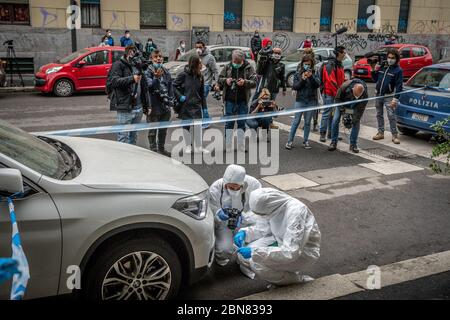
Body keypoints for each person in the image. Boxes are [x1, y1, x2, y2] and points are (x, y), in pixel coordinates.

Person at [233, 188, 321, 285]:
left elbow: (291, 251)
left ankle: (298, 281)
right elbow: (263, 229)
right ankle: (282, 272)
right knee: (244, 256)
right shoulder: (272, 206)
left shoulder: (296, 212)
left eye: (261, 214)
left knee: (257, 263)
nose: (261, 216)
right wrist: (245, 233)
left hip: (303, 252)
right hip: (280, 240)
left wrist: (255, 252)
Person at [209, 165, 262, 268]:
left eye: (236, 187)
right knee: (224, 249)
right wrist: (219, 215)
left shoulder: (253, 185)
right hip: (224, 223)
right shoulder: (215, 188)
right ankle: (221, 258)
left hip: (246, 221)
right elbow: (211, 210)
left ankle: (244, 262)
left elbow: (260, 210)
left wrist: (245, 217)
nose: (233, 190)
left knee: (250, 246)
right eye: (230, 187)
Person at [108, 45, 150, 145]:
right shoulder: (118, 65)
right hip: (125, 108)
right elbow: (114, 81)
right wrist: (132, 79)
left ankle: (132, 157)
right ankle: (123, 159)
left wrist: (147, 105)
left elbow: (144, 87)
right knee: (123, 137)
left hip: (138, 108)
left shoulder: (137, 65)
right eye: (131, 52)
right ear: (127, 53)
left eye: (135, 52)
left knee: (134, 136)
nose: (133, 54)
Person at [218, 49, 257, 152]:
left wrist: (245, 82)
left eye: (237, 62)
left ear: (242, 60)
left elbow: (255, 82)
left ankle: (241, 145)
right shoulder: (228, 66)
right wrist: (226, 80)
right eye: (234, 61)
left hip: (243, 100)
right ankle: (228, 145)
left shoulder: (248, 68)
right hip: (229, 100)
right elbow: (219, 79)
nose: (235, 63)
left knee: (241, 123)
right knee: (229, 123)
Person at [173, 55, 209, 154]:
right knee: (186, 126)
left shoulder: (200, 76)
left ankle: (199, 146)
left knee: (198, 127)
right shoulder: (183, 75)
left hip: (196, 105)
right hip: (186, 105)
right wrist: (180, 96)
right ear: (195, 64)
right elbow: (173, 86)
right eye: (200, 63)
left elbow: (202, 93)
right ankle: (188, 145)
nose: (201, 65)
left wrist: (204, 107)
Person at [286, 54, 320, 150]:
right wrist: (303, 80)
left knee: (308, 122)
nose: (307, 66)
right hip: (300, 100)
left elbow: (317, 84)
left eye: (309, 64)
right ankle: (289, 141)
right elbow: (295, 86)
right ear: (302, 64)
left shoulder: (315, 72)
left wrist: (311, 77)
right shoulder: (297, 73)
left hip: (311, 101)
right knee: (296, 121)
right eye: (305, 64)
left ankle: (305, 141)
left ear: (312, 64)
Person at [144, 49, 173, 156]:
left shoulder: (166, 72)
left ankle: (161, 149)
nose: (159, 58)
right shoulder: (147, 72)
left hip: (165, 107)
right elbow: (150, 86)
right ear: (151, 59)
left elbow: (170, 88)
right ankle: (153, 150)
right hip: (153, 106)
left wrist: (171, 101)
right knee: (152, 131)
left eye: (160, 56)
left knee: (163, 130)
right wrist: (156, 77)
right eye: (156, 57)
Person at [372, 48, 403, 145]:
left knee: (391, 115)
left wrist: (395, 99)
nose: (390, 59)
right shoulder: (383, 66)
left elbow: (399, 86)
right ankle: (380, 132)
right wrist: (373, 69)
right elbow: (375, 79)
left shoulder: (398, 70)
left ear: (396, 59)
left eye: (392, 58)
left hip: (389, 96)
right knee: (379, 114)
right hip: (378, 94)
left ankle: (394, 135)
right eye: (389, 57)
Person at [328, 79, 368, 153]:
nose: (356, 97)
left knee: (356, 122)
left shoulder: (365, 93)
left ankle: (353, 144)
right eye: (355, 95)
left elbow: (360, 110)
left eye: (358, 97)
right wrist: (345, 113)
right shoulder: (344, 87)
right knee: (335, 120)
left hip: (355, 107)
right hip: (342, 104)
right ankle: (333, 142)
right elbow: (337, 100)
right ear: (352, 89)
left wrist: (354, 120)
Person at [319, 45, 346, 142]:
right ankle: (322, 133)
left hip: (337, 93)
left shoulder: (340, 64)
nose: (345, 54)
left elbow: (341, 78)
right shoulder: (330, 65)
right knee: (327, 114)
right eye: (344, 52)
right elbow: (331, 80)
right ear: (338, 53)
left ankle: (332, 133)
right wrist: (339, 92)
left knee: (333, 115)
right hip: (329, 93)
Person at [195, 41, 219, 129]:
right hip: (197, 83)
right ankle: (202, 120)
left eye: (200, 47)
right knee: (199, 103)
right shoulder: (196, 57)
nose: (198, 49)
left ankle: (206, 122)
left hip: (206, 84)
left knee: (202, 103)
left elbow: (215, 71)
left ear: (204, 47)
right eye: (197, 47)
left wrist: (216, 83)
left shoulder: (210, 57)